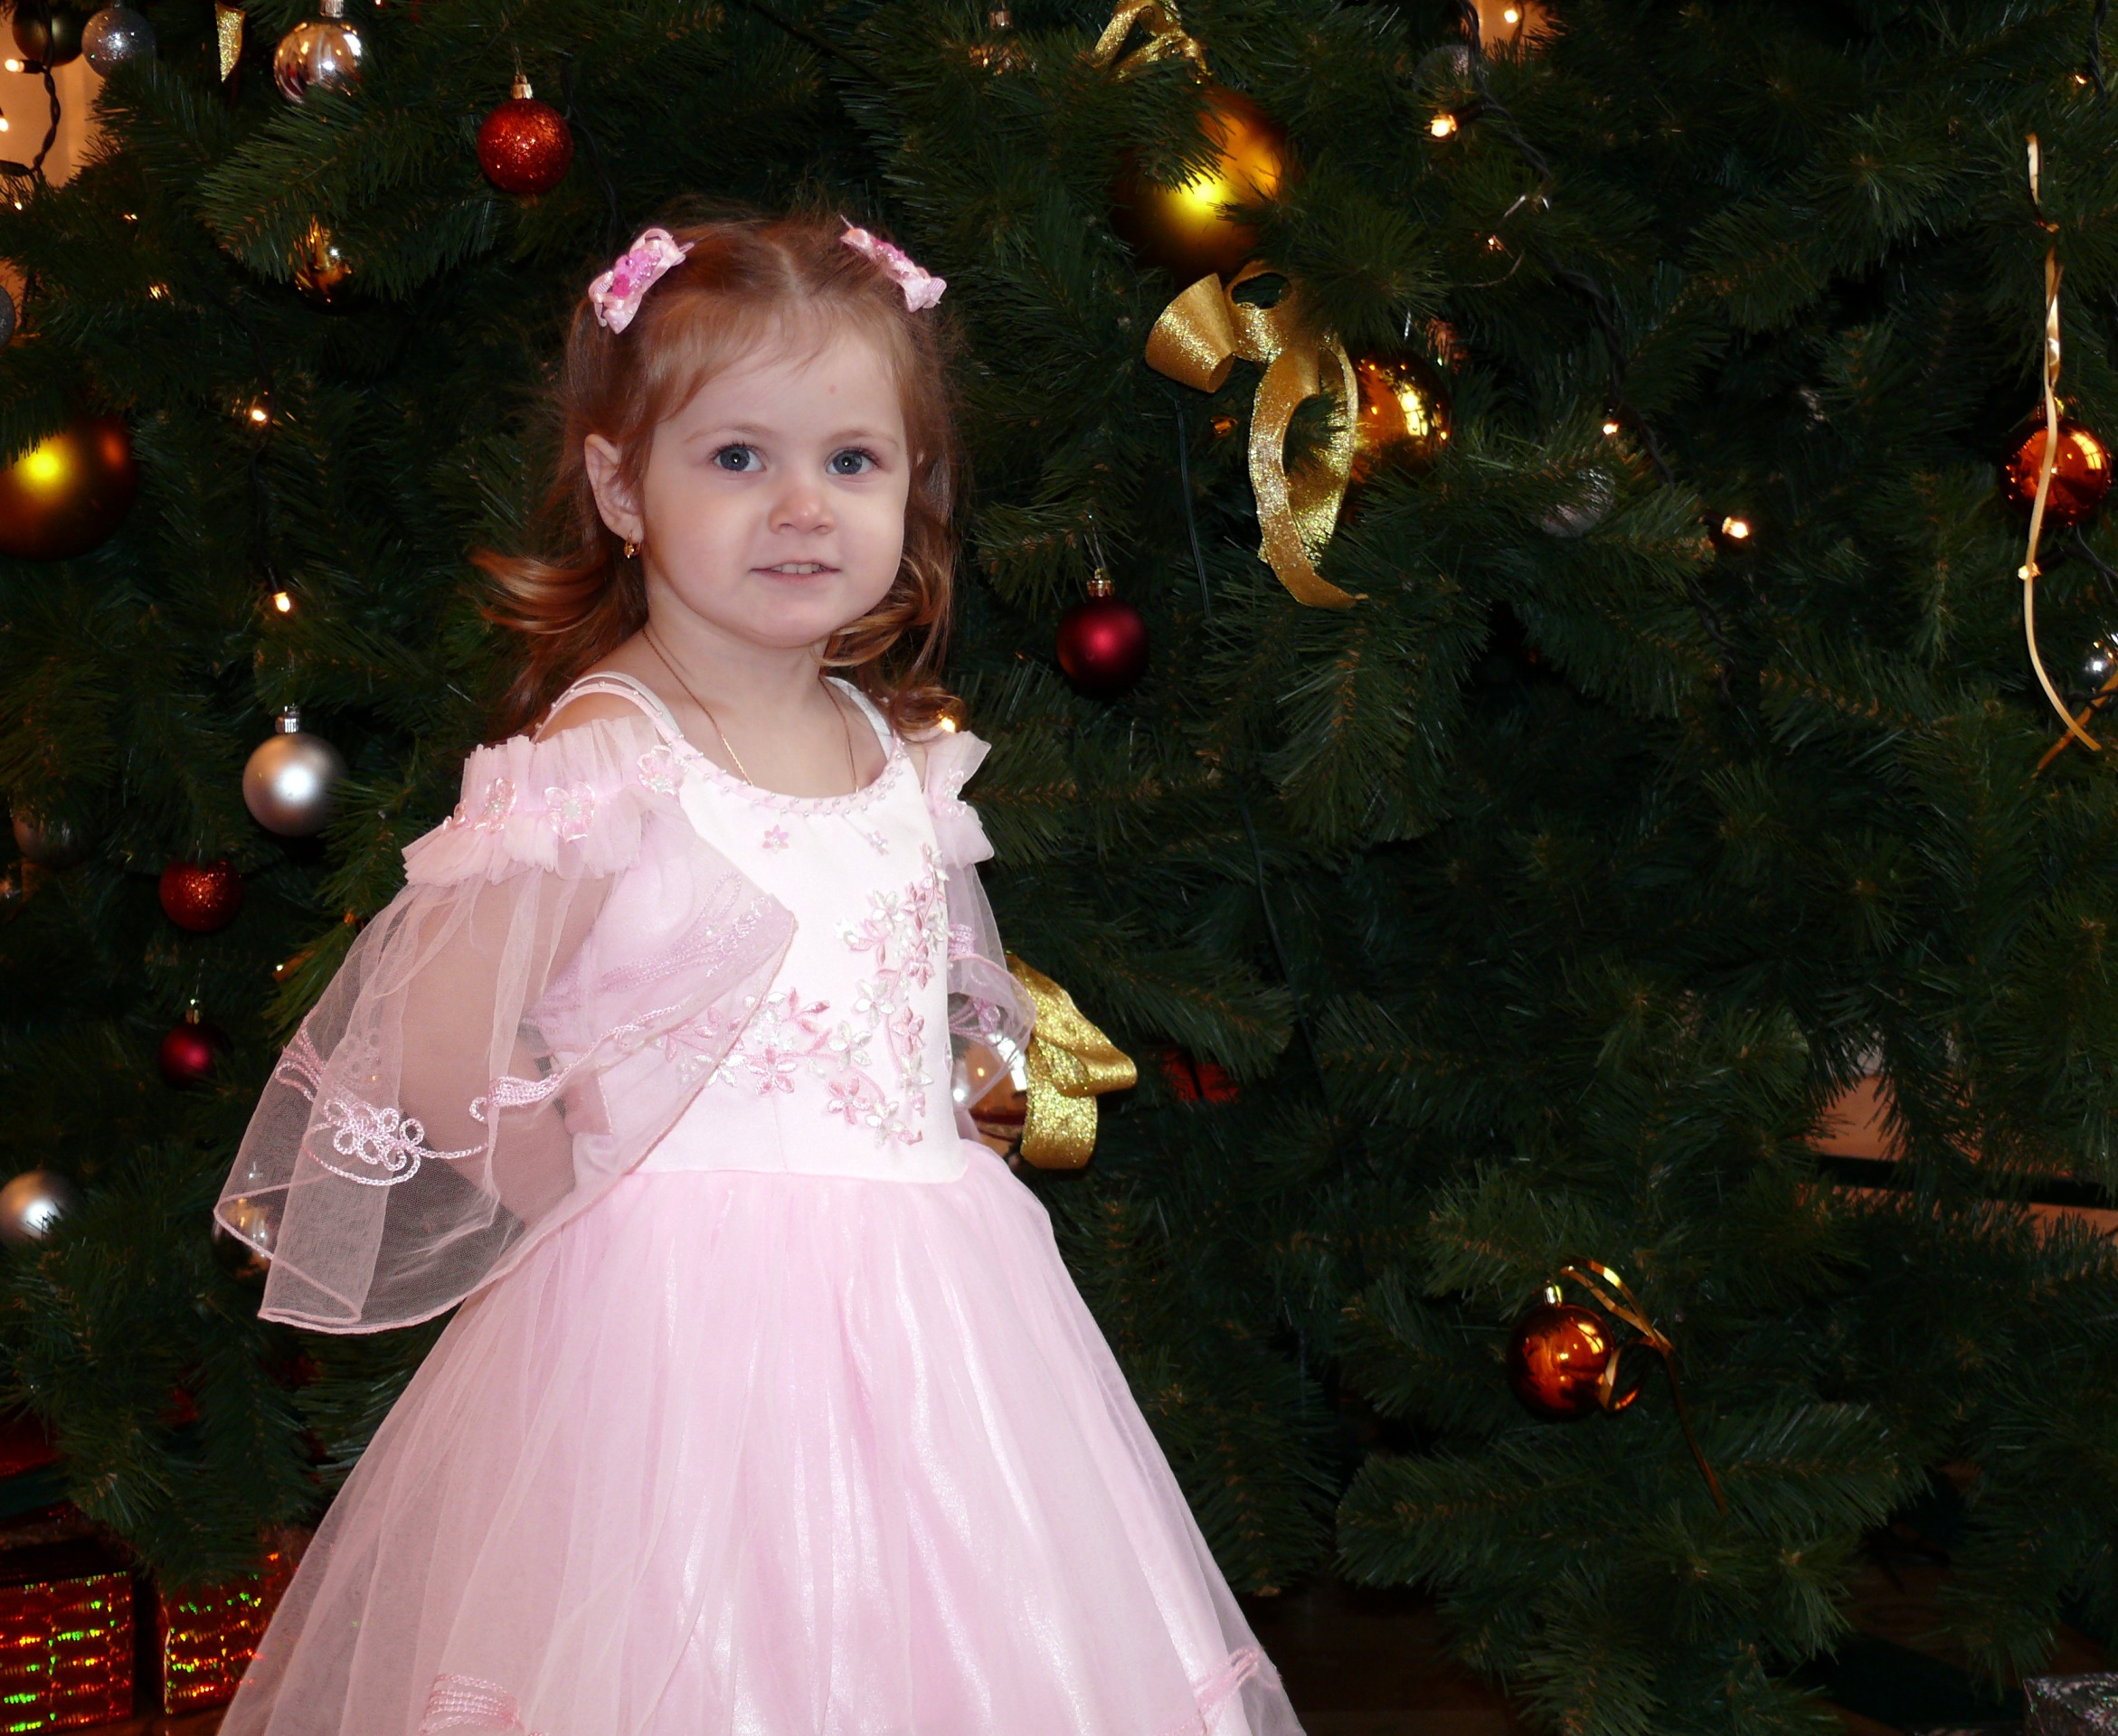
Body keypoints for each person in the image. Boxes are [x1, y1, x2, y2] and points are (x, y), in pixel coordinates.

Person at [213, 212, 1305, 1736]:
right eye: (737, 458)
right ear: (621, 489)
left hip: (941, 1326)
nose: (802, 507)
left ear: (913, 486)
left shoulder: (895, 749)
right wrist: (590, 1205)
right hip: (677, 1349)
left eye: (852, 461)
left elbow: (929, 1014)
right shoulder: (604, 757)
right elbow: (440, 1048)